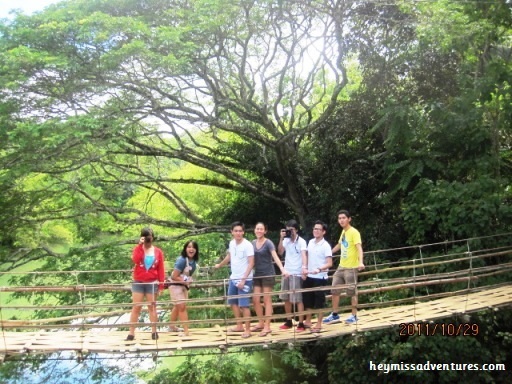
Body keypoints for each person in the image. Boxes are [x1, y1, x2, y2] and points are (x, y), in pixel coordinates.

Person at [323, 210, 365, 325]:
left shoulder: (354, 232)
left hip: (351, 267)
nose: (341, 220)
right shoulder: (344, 232)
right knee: (334, 289)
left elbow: (359, 248)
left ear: (349, 219)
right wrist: (329, 253)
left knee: (352, 291)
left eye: (343, 218)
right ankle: (335, 314)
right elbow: (340, 244)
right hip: (341, 266)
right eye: (339, 218)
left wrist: (360, 262)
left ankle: (354, 315)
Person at [214, 221, 255, 338]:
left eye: (240, 231)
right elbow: (229, 256)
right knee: (232, 302)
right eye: (236, 231)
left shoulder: (247, 245)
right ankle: (239, 325)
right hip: (233, 278)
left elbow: (251, 263)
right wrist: (219, 265)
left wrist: (243, 279)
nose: (238, 233)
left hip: (245, 279)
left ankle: (247, 330)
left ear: (243, 232)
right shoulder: (232, 243)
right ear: (231, 232)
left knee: (244, 305)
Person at [126, 227, 165, 341]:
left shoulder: (158, 251)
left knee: (152, 307)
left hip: (152, 282)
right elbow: (136, 260)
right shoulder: (138, 249)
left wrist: (161, 285)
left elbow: (161, 269)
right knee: (136, 307)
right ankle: (131, 332)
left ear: (153, 237)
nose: (149, 240)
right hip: (138, 281)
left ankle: (154, 331)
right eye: (146, 237)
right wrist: (139, 245)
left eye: (150, 237)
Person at [250, 222, 287, 337]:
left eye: (261, 229)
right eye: (257, 229)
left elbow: (275, 256)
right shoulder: (253, 243)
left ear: (265, 231)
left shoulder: (268, 243)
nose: (259, 231)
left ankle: (267, 326)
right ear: (254, 230)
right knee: (255, 300)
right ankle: (261, 322)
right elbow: (250, 259)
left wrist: (282, 269)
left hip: (268, 274)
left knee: (267, 299)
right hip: (257, 274)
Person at [277, 219, 308, 332]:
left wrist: (304, 269)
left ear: (297, 230)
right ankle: (289, 320)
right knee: (286, 298)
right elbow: (280, 252)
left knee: (298, 299)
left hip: (297, 272)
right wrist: (281, 237)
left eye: (292, 230)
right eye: (288, 230)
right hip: (287, 272)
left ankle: (300, 323)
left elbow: (304, 255)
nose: (290, 232)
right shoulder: (286, 240)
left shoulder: (302, 241)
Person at [302, 220, 333, 332]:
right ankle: (308, 320)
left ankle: (319, 324)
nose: (316, 231)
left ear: (323, 232)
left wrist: (319, 269)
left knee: (319, 301)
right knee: (308, 299)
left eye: (319, 229)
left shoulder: (326, 246)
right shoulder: (310, 242)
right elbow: (307, 257)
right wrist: (305, 269)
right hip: (309, 275)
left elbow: (330, 263)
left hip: (320, 277)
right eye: (315, 229)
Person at [168, 240, 199, 336]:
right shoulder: (181, 260)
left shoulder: (194, 261)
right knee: (181, 307)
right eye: (189, 247)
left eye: (193, 247)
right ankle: (186, 331)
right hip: (176, 285)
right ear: (185, 249)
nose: (191, 249)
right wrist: (184, 281)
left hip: (184, 286)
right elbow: (174, 276)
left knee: (178, 306)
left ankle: (172, 326)